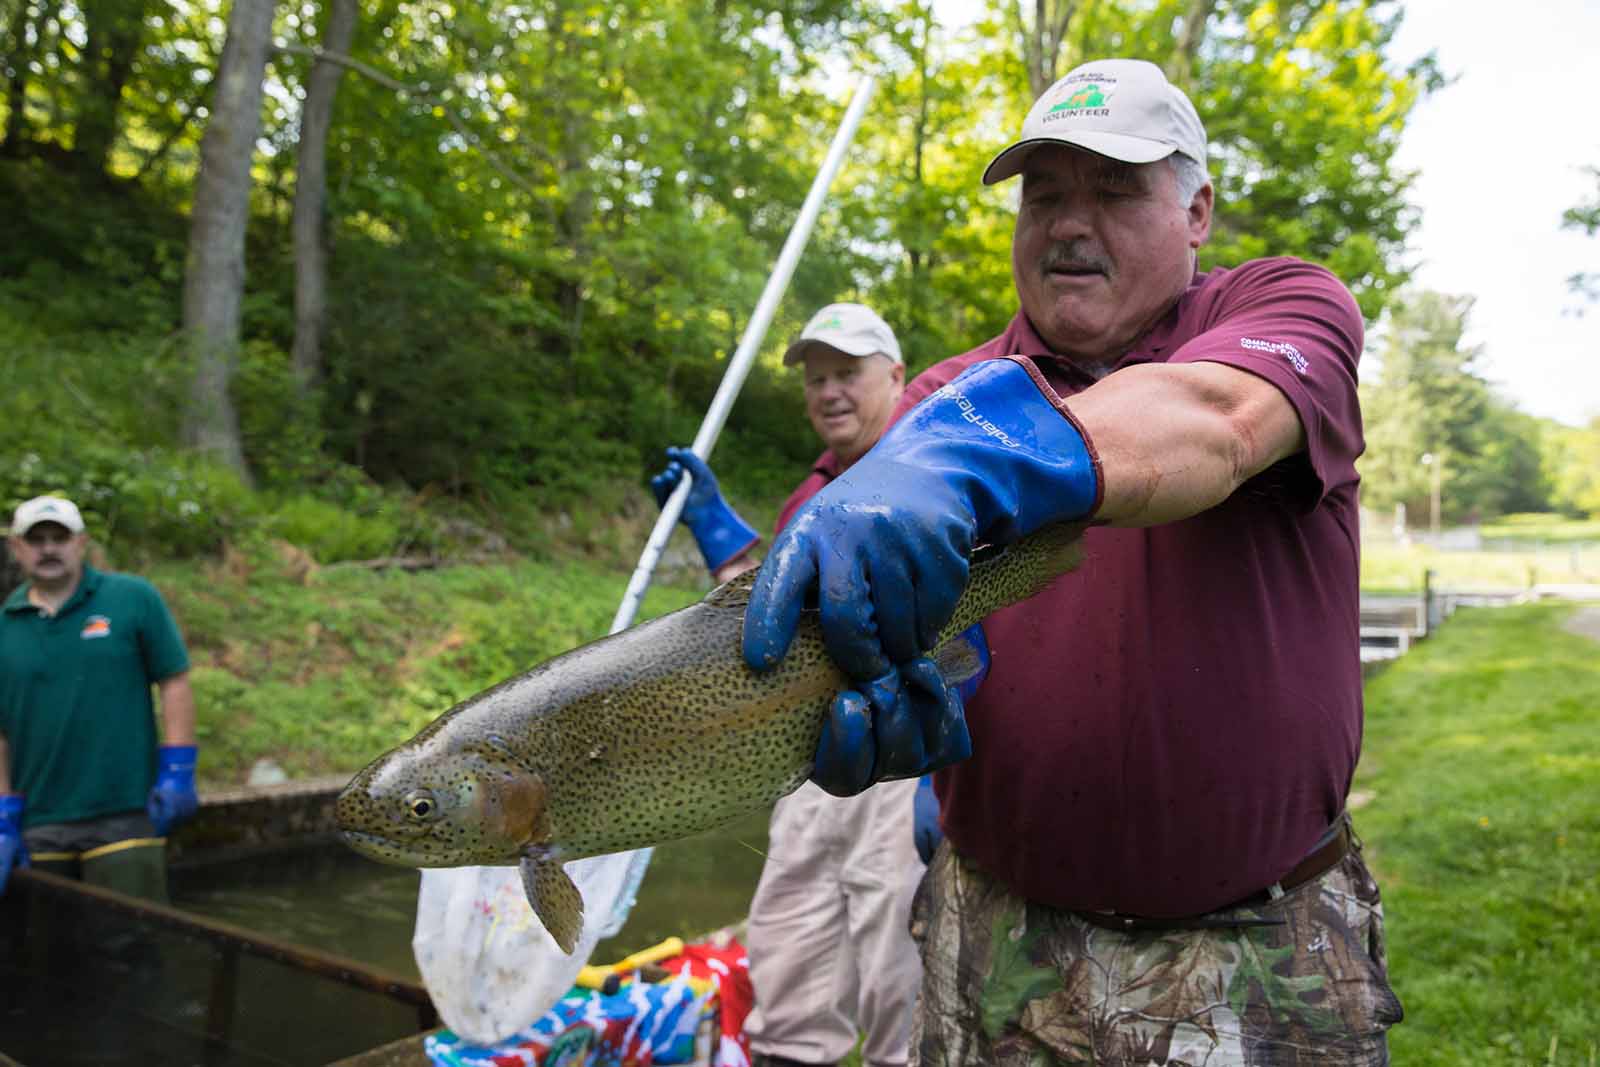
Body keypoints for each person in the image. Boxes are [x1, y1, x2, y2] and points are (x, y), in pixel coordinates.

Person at [736, 59, 1403, 1064]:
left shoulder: (1278, 307)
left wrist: (972, 459)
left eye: (1114, 189)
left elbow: (1213, 420)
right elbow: (859, 598)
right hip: (999, 942)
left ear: (1197, 211)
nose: (1067, 224)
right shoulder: (943, 396)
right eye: (1042, 196)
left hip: (1255, 942)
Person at [652, 303, 965, 1067]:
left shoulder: (932, 476)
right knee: (788, 959)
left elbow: (972, 632)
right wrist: (714, 523)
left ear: (896, 375)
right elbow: (779, 629)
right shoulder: (812, 493)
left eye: (848, 373)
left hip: (898, 760)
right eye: (815, 378)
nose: (829, 391)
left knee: (901, 977)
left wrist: (946, 776)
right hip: (809, 764)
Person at [0, 495, 200, 902]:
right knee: (47, 952)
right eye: (36, 539)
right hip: (40, 821)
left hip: (125, 810)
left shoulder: (132, 598)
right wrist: (4, 812)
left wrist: (178, 768)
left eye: (60, 537)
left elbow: (174, 680)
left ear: (81, 543)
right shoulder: (4, 625)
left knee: (131, 948)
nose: (49, 548)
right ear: (16, 548)